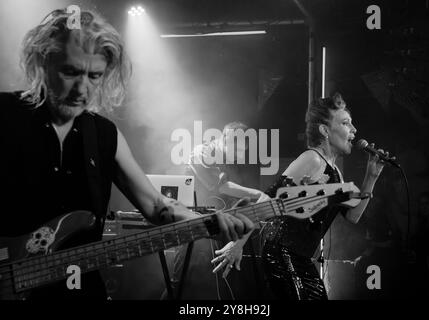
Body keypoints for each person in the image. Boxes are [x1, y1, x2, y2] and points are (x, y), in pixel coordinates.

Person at [0, 8, 253, 300]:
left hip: (79, 289)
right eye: (70, 72)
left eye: (94, 75)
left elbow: (158, 205)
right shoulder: (5, 116)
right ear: (44, 61)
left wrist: (209, 223)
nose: (82, 88)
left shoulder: (104, 135)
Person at [212, 93, 389, 299]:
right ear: (324, 130)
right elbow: (267, 199)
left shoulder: (336, 174)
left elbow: (353, 216)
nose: (354, 130)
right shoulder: (312, 159)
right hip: (283, 254)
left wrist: (371, 177)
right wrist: (237, 243)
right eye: (345, 123)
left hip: (302, 259)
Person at [163, 122, 270, 299]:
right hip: (193, 226)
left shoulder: (226, 161)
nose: (239, 156)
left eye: (242, 151)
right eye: (237, 150)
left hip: (214, 228)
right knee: (181, 282)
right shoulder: (202, 151)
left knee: (212, 285)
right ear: (226, 139)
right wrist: (257, 194)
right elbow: (221, 187)